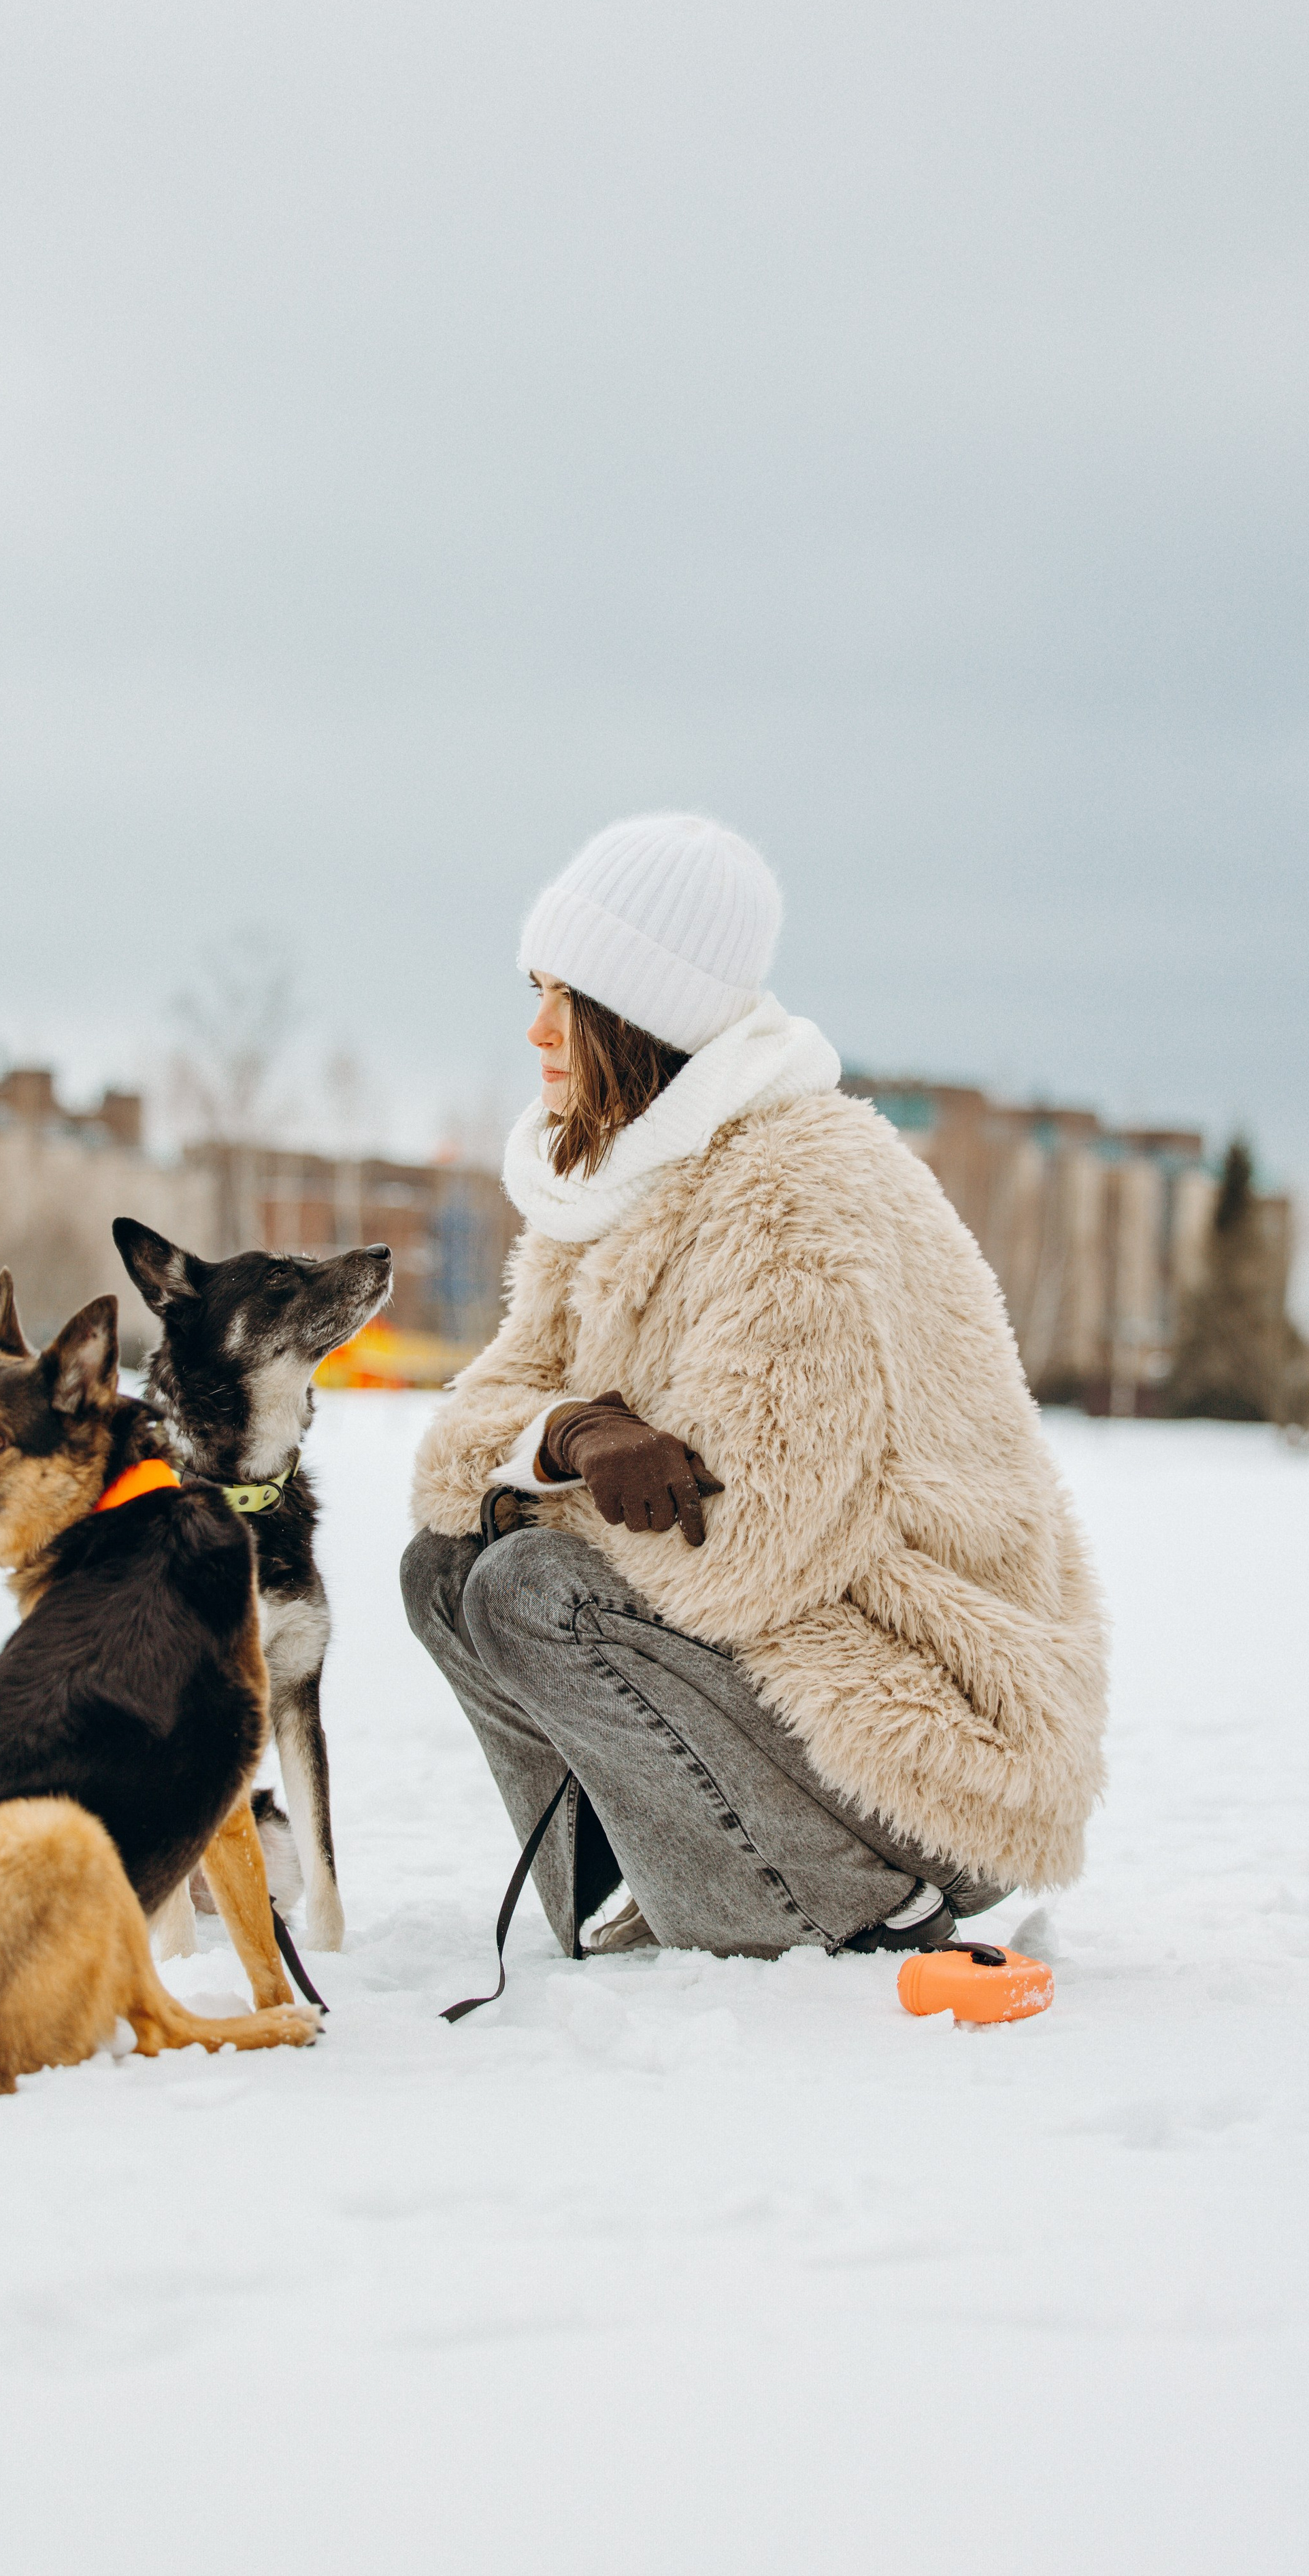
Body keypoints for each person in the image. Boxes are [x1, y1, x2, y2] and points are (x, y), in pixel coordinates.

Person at [402, 813, 1108, 1967]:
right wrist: (570, 1431)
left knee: (529, 1578)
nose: (534, 1029)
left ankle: (855, 1905)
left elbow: (749, 1553)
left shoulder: (795, 1188)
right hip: (774, 1691)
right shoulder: (616, 1185)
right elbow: (452, 1461)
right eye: (534, 987)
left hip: (916, 1726)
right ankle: (631, 1879)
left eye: (563, 996)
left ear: (640, 1017)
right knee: (444, 1568)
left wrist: (541, 1469)